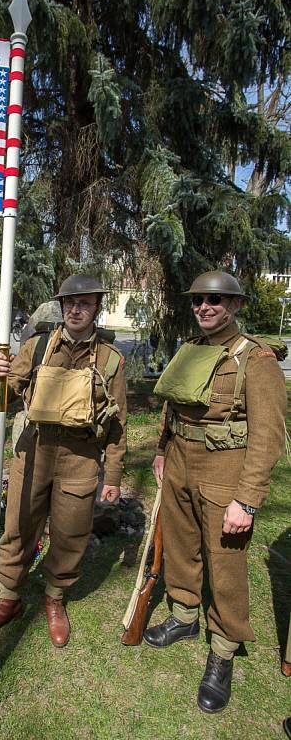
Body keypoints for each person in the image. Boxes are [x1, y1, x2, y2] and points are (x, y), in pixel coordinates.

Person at [143, 271, 287, 713]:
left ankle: (223, 648)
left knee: (225, 562)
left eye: (215, 300)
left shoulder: (256, 359)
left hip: (226, 468)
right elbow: (175, 403)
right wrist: (163, 448)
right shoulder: (193, 349)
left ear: (236, 305)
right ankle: (185, 615)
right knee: (182, 546)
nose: (205, 307)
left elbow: (267, 437)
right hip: (181, 461)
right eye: (199, 300)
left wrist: (247, 499)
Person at [0, 274, 127, 647]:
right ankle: (7, 599)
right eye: (70, 303)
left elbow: (118, 424)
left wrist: (114, 475)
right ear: (61, 307)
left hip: (81, 457)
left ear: (96, 309)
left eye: (84, 303)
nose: (76, 310)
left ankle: (54, 597)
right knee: (19, 525)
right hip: (33, 451)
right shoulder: (38, 347)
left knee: (71, 533)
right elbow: (4, 399)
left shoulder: (110, 358)